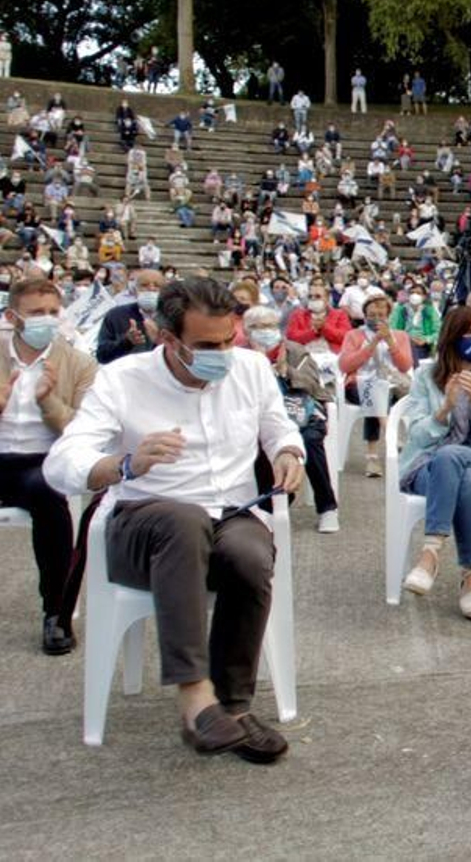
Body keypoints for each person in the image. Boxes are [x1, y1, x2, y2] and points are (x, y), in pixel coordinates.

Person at [43, 278, 306, 763]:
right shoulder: (123, 379)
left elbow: (279, 426)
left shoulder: (249, 369)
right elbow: (62, 463)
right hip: (146, 522)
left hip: (231, 513)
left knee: (250, 556)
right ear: (168, 339)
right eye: (208, 346)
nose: (224, 354)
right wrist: (125, 464)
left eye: (231, 340)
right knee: (183, 521)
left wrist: (289, 453)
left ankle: (231, 707)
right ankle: (194, 694)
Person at [394, 305, 471, 620]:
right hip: (428, 465)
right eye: (469, 332)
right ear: (453, 335)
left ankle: (430, 553)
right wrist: (445, 407)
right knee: (467, 480)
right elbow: (419, 436)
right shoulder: (425, 376)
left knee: (454, 457)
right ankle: (470, 576)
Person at [0, 277, 97, 654]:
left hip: (42, 461)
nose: (46, 320)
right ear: (13, 316)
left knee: (49, 497)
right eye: (35, 313)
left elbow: (87, 429)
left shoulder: (77, 363)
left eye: (53, 312)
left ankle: (56, 611)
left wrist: (49, 404)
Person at [241, 305, 341, 533]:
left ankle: (327, 507)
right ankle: (268, 503)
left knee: (309, 441)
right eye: (258, 327)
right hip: (258, 420)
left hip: (301, 414)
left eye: (269, 326)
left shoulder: (295, 350)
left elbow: (312, 384)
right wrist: (261, 364)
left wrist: (285, 371)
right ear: (247, 332)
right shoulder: (241, 356)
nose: (265, 331)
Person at [339, 291, 413, 478]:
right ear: (365, 315)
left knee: (380, 391)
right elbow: (345, 365)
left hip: (394, 383)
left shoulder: (400, 336)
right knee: (373, 390)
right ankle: (382, 445)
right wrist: (371, 344)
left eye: (381, 315)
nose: (376, 319)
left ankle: (376, 452)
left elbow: (405, 366)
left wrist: (389, 342)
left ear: (388, 316)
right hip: (359, 384)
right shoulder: (354, 335)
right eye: (371, 315)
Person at [284, 279, 350, 352]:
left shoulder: (339, 314)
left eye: (317, 296)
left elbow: (345, 337)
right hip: (305, 355)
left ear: (327, 299)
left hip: (332, 355)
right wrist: (313, 332)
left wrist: (324, 327)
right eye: (310, 296)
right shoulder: (298, 314)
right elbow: (291, 337)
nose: (313, 299)